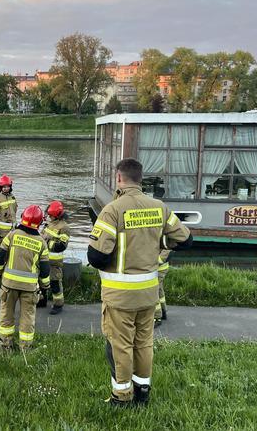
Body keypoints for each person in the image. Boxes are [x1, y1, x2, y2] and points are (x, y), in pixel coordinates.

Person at [87, 158, 192, 407]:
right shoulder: (159, 207)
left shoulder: (113, 210)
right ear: (140, 179)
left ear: (119, 178)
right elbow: (186, 241)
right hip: (148, 294)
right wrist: (159, 244)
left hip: (120, 295)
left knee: (120, 345)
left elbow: (96, 257)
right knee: (144, 343)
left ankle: (121, 396)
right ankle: (142, 392)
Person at [0, 205, 50, 350]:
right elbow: (45, 269)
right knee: (28, 317)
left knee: (6, 314)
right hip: (29, 288)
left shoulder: (12, 235)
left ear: (22, 218)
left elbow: (0, 256)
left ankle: (5, 345)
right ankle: (25, 347)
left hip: (9, 285)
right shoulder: (41, 242)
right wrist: (45, 287)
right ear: (39, 223)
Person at [39, 200, 71, 315]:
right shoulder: (50, 224)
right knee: (42, 281)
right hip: (43, 259)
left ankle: (58, 304)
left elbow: (61, 246)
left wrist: (46, 243)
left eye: (51, 215)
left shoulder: (64, 228)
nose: (49, 216)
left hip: (54, 262)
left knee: (55, 283)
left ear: (56, 215)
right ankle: (42, 300)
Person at [0, 174, 17, 246]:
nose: (5, 188)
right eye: (3, 187)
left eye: (7, 186)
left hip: (12, 230)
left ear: (10, 187)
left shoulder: (12, 197)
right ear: (0, 187)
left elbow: (14, 212)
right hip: (1, 232)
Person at [154, 249, 171, 327]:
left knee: (153, 291)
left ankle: (157, 317)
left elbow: (167, 250)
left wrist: (154, 262)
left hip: (157, 268)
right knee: (159, 289)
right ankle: (163, 311)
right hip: (160, 267)